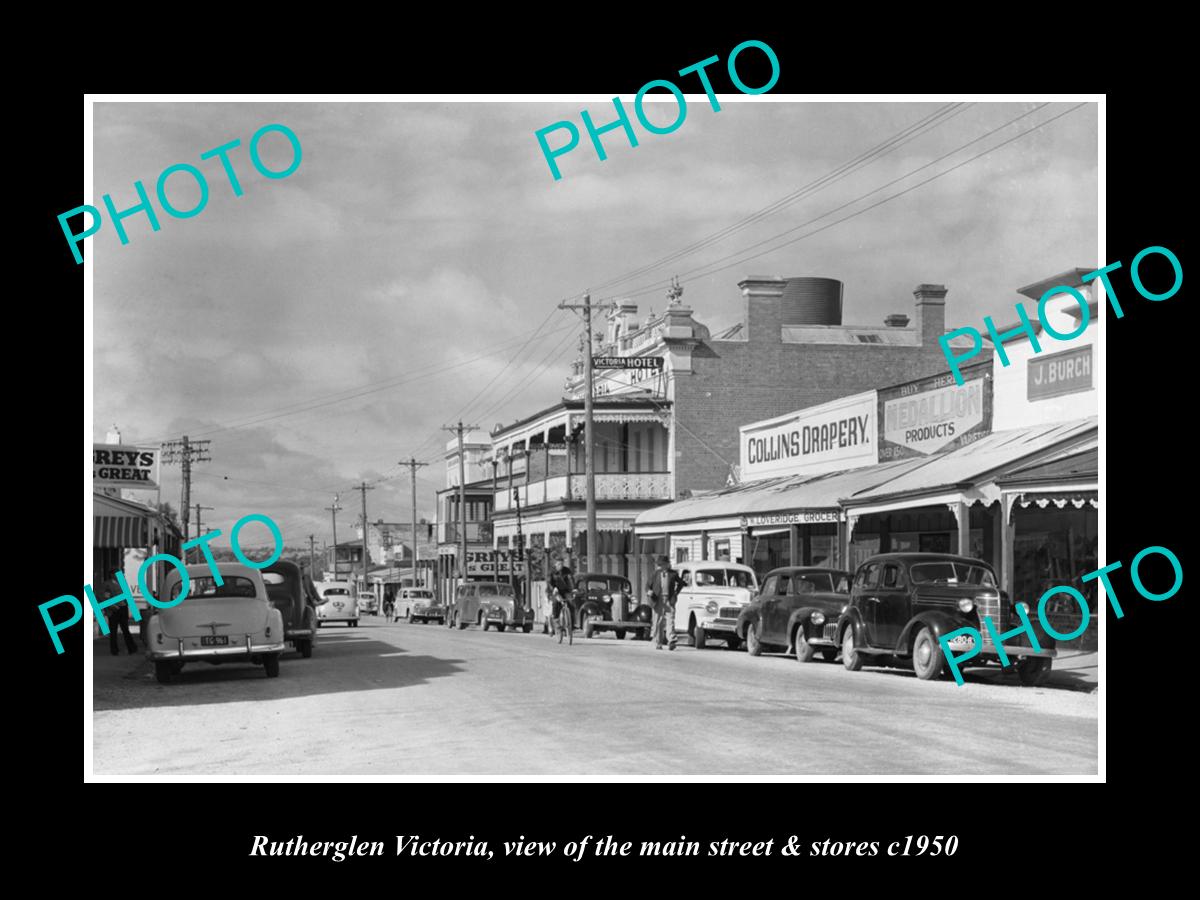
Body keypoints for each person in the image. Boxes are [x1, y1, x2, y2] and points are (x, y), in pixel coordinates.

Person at [647, 556, 683, 651]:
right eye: (659, 564)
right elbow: (648, 585)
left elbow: (681, 583)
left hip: (669, 599)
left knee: (670, 619)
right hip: (657, 599)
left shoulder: (673, 574)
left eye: (662, 564)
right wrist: (649, 591)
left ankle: (671, 640)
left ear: (667, 564)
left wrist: (676, 593)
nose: (660, 566)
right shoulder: (655, 574)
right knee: (657, 621)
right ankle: (658, 642)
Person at [101, 573, 139, 656]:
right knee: (114, 631)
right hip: (114, 610)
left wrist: (127, 605)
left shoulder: (121, 583)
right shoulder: (108, 584)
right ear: (113, 575)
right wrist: (112, 606)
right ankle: (114, 650)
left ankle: (132, 648)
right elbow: (106, 597)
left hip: (122, 608)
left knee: (125, 629)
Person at [546, 559, 575, 638]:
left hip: (565, 590)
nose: (560, 566)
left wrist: (573, 588)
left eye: (562, 564)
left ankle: (571, 625)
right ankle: (556, 622)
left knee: (571, 604)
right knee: (556, 603)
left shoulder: (567, 570)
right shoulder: (551, 572)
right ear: (555, 564)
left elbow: (571, 579)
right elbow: (549, 582)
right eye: (559, 564)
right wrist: (553, 588)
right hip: (554, 591)